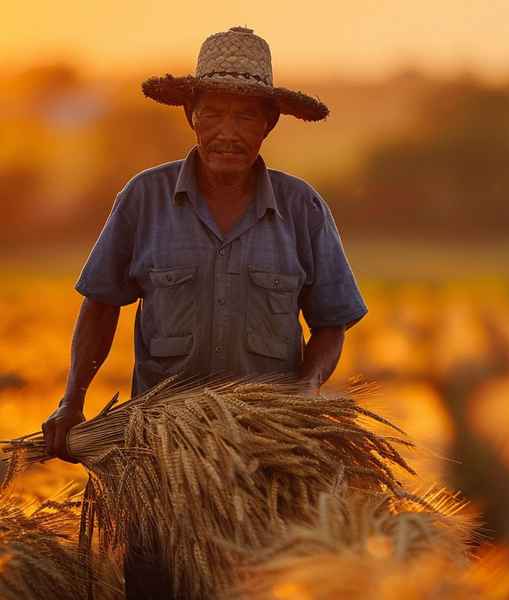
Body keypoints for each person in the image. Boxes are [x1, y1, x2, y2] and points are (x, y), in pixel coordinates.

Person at [40, 26, 368, 599]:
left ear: (269, 124)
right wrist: (73, 400)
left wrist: (305, 391)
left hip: (262, 460)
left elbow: (332, 322)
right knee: (156, 581)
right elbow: (100, 304)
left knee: (257, 583)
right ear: (190, 114)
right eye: (214, 114)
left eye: (246, 118)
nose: (228, 133)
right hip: (161, 457)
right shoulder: (144, 199)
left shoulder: (302, 208)